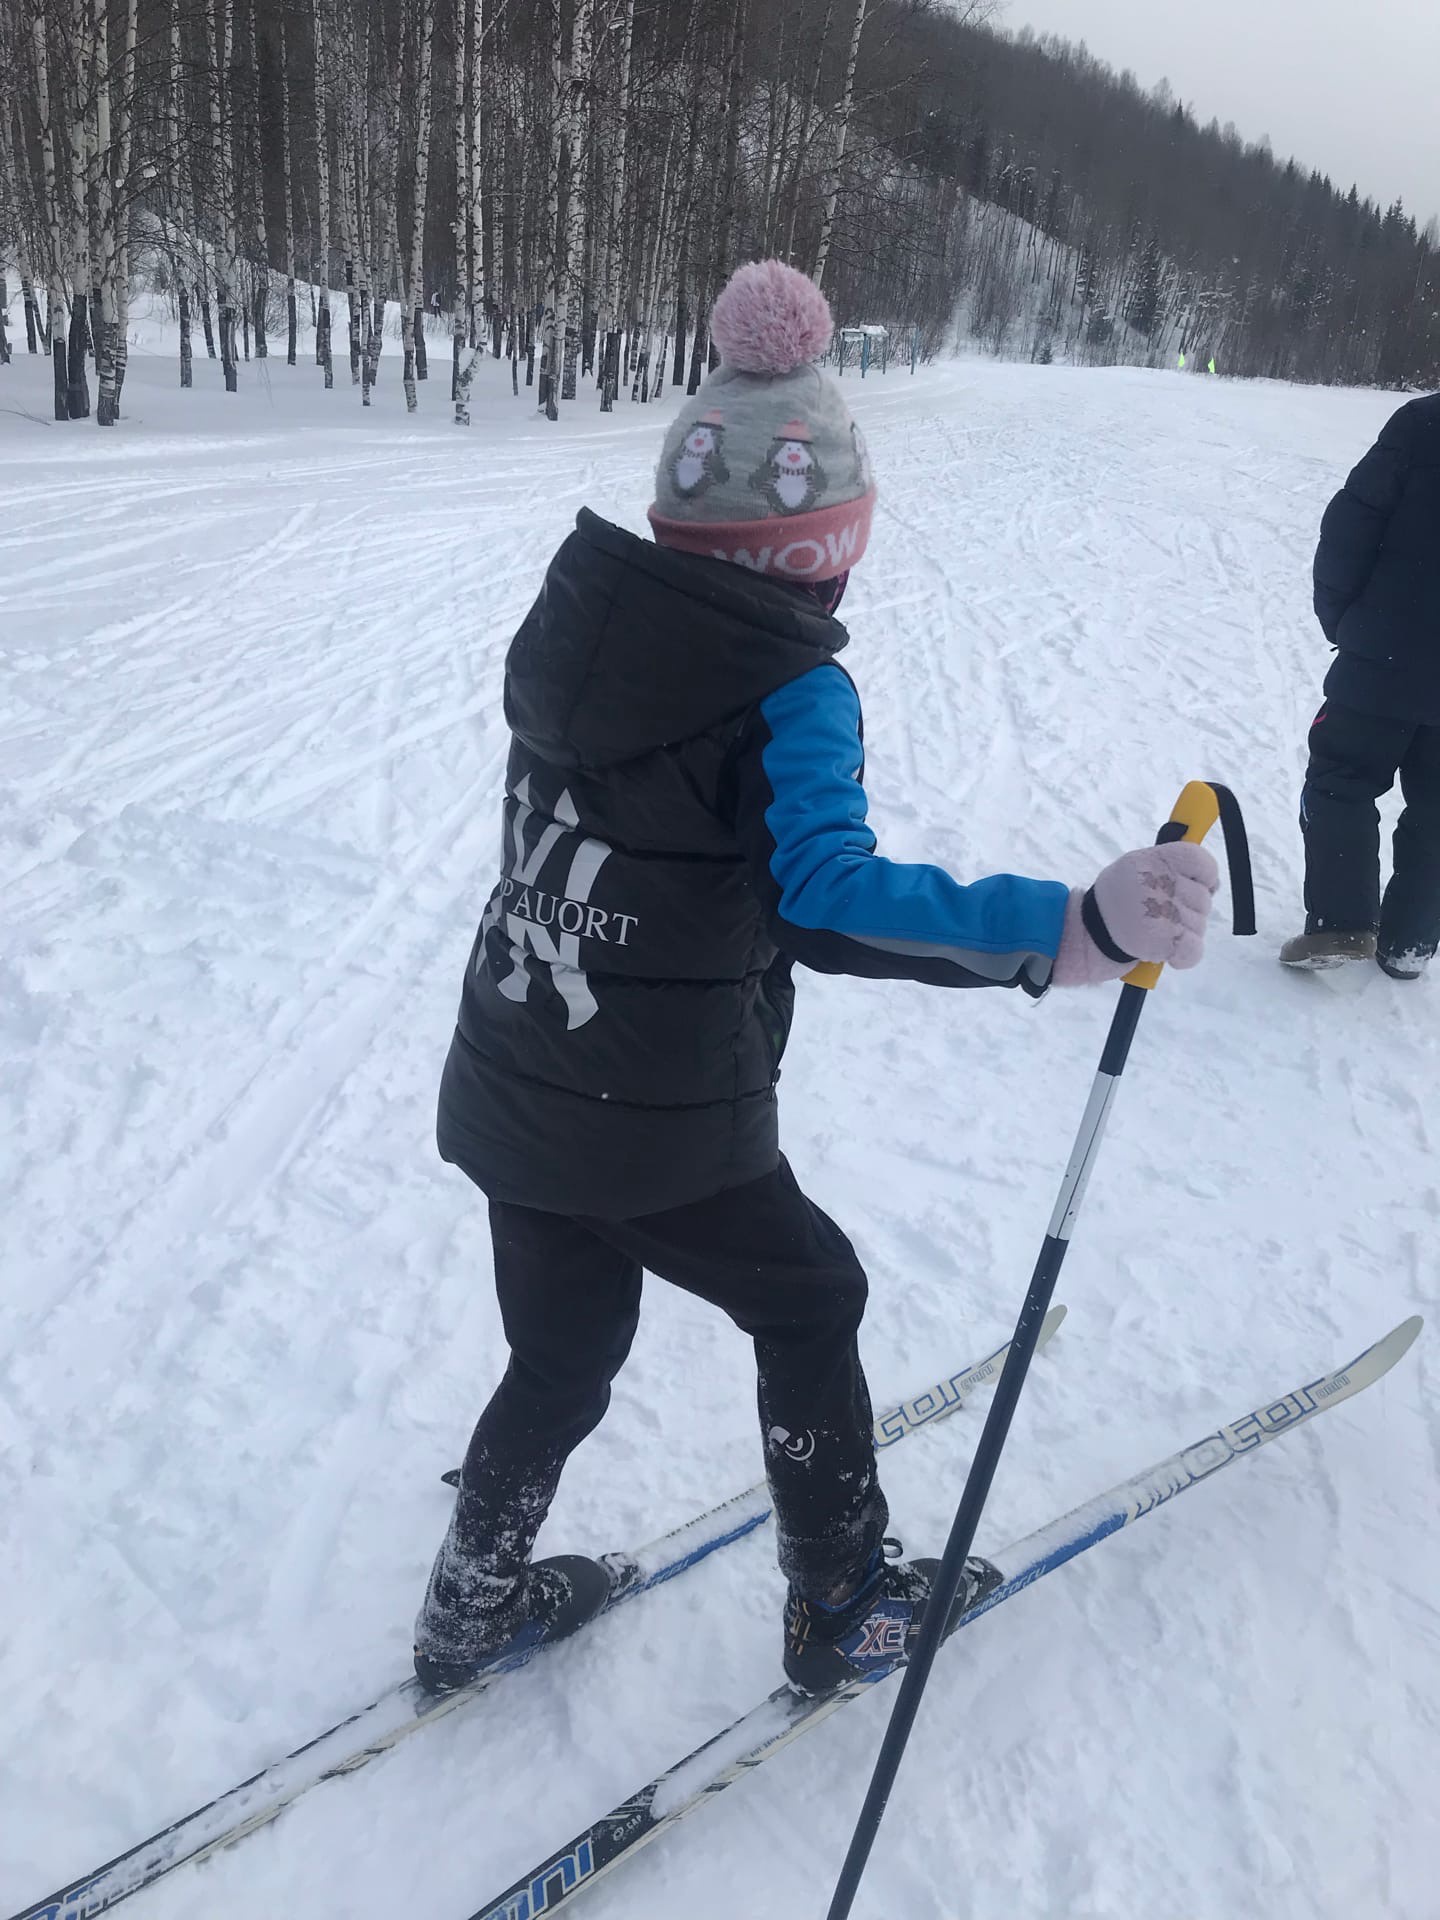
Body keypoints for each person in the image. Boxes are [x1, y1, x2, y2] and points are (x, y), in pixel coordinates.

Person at [413, 260, 1219, 1698]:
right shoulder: (789, 685)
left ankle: (469, 1604)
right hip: (653, 1113)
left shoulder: (585, 635)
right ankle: (842, 1604)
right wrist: (1070, 927)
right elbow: (825, 897)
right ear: (821, 552)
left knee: (564, 1352)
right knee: (811, 1295)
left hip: (512, 1078)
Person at [1281, 391, 1440, 977]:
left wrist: (1345, 620)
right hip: (1386, 645)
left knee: (1341, 780)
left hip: (1387, 651)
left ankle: (1342, 924)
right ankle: (1410, 942)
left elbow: (1350, 527)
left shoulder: (1424, 423)